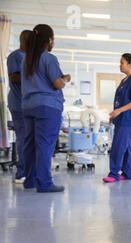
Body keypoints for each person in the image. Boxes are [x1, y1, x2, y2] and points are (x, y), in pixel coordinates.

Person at [21, 24, 70, 193]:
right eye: (53, 39)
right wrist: (64, 80)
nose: (53, 43)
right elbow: (57, 84)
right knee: (44, 145)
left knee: (29, 144)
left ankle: (30, 181)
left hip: (28, 106)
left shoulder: (25, 59)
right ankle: (44, 184)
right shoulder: (49, 58)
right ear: (49, 40)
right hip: (47, 108)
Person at [103, 53, 131, 183]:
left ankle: (114, 173)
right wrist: (114, 114)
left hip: (128, 119)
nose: (120, 65)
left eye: (122, 63)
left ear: (130, 65)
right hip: (121, 118)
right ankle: (127, 173)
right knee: (126, 146)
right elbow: (120, 100)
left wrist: (119, 111)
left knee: (118, 146)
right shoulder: (124, 80)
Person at [7, 30, 33, 184]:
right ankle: (21, 173)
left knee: (29, 139)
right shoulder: (16, 56)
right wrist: (34, 76)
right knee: (23, 138)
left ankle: (28, 170)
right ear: (23, 40)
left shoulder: (30, 57)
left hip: (29, 104)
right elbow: (14, 77)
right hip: (18, 104)